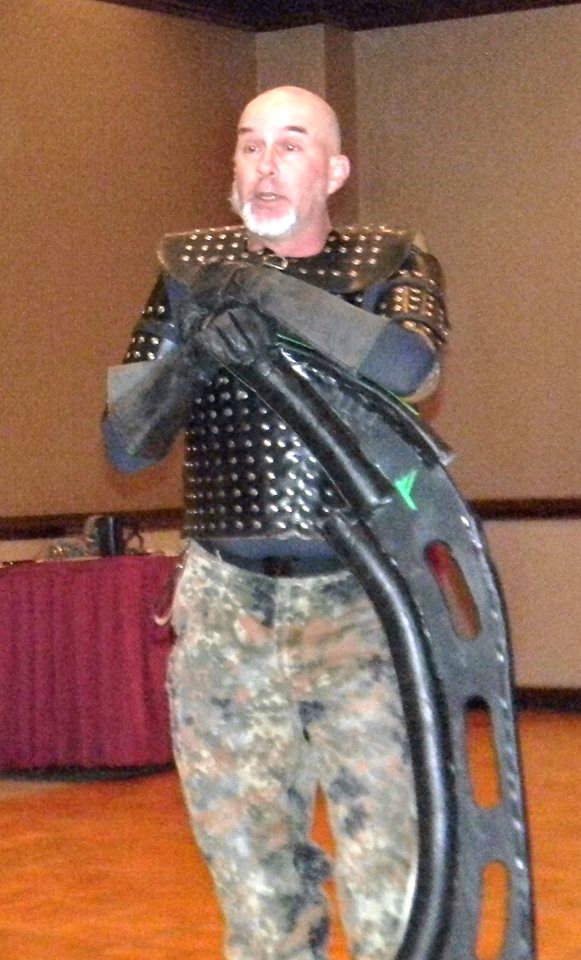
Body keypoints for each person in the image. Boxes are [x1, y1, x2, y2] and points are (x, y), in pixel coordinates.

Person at [103, 86, 449, 960]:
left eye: (291, 145)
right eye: (250, 145)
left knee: (392, 871)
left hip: (363, 602)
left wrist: (260, 290)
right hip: (227, 608)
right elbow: (126, 442)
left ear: (334, 170)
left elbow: (408, 367)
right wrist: (192, 361)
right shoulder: (185, 273)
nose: (265, 164)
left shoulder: (391, 257)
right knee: (251, 873)